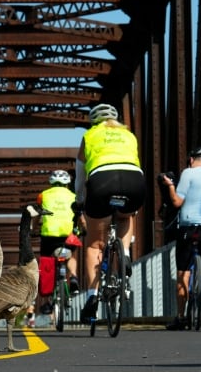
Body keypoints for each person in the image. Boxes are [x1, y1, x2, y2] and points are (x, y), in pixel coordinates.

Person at [76, 103, 146, 321]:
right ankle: (124, 253)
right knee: (127, 214)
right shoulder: (129, 135)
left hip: (101, 181)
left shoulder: (89, 136)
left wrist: (79, 202)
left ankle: (92, 296)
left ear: (94, 122)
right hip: (134, 180)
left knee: (95, 244)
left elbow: (80, 177)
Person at [160, 146, 201, 330]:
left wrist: (170, 185)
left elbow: (177, 201)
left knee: (182, 275)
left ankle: (180, 318)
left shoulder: (188, 173)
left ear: (192, 160)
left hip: (188, 228)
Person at [34, 169, 82, 316]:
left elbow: (37, 215)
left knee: (47, 263)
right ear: (67, 184)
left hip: (48, 236)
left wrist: (34, 228)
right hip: (68, 236)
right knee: (71, 256)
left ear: (51, 183)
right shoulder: (74, 197)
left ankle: (48, 301)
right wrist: (81, 229)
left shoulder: (43, 195)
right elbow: (79, 217)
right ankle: (73, 276)